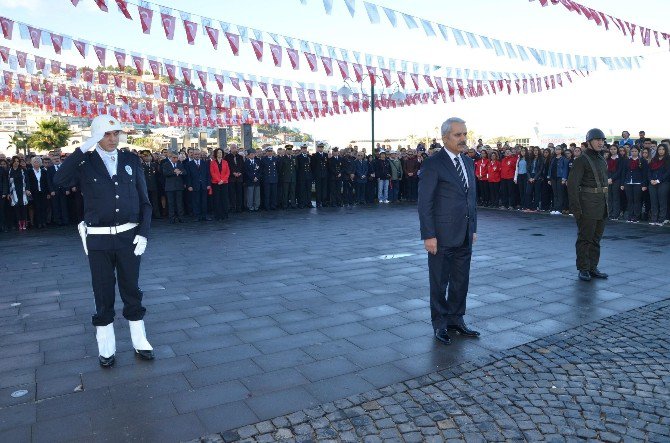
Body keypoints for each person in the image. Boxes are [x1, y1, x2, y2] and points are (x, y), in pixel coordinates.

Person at [53, 114, 154, 367]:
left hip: (128, 236)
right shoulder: (85, 162)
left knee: (132, 289)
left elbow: (145, 201)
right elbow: (60, 180)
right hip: (98, 239)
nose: (112, 139)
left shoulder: (131, 160)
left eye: (115, 133)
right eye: (106, 134)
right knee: (103, 290)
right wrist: (81, 148)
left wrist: (143, 232)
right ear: (97, 136)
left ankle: (140, 340)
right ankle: (106, 346)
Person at [418, 117, 479, 346]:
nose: (463, 138)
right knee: (439, 281)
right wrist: (429, 235)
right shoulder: (433, 164)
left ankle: (456, 319)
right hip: (441, 236)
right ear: (445, 137)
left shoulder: (468, 162)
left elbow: (471, 198)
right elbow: (425, 203)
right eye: (458, 135)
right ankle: (440, 324)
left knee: (461, 280)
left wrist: (473, 227)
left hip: (464, 233)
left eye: (465, 134)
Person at [566, 128, 610, 282]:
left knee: (596, 239)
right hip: (587, 205)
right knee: (585, 238)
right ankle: (583, 268)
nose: (601, 142)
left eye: (602, 140)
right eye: (597, 139)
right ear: (589, 141)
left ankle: (592, 267)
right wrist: (576, 208)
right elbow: (572, 185)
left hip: (601, 204)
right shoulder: (581, 160)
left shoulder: (602, 159)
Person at [620, 146, 648, 223]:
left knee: (637, 200)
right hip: (628, 182)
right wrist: (622, 183)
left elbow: (645, 173)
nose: (634, 153)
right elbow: (624, 172)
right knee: (629, 200)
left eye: (635, 151)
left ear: (638, 152)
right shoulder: (627, 161)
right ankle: (630, 215)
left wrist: (644, 185)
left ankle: (636, 216)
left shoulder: (642, 160)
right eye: (632, 151)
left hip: (638, 183)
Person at [185, 150, 212, 221]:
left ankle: (204, 215)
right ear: (193, 155)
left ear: (200, 155)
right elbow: (188, 176)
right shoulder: (189, 164)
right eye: (195, 154)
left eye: (198, 154)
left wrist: (209, 184)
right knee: (195, 201)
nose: (197, 155)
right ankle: (197, 216)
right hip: (194, 186)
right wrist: (189, 186)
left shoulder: (204, 163)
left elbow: (208, 174)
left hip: (204, 185)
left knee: (204, 201)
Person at [162, 150, 187, 223]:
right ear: (170, 157)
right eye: (174, 157)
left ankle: (180, 217)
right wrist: (174, 171)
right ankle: (172, 218)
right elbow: (165, 173)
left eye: (176, 157)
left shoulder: (180, 164)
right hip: (170, 187)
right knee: (171, 203)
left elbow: (185, 172)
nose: (175, 159)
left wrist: (180, 172)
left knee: (179, 203)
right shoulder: (166, 164)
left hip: (179, 186)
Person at [648, 143, 670, 226]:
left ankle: (661, 220)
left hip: (663, 183)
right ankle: (654, 219)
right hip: (652, 182)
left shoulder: (668, 159)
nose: (661, 151)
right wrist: (651, 180)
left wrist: (658, 180)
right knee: (654, 201)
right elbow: (649, 171)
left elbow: (668, 173)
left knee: (662, 201)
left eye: (663, 149)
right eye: (659, 149)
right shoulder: (654, 159)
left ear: (666, 150)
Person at [47, 154, 70, 226]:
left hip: (63, 189)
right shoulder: (50, 169)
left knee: (64, 206)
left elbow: (67, 179)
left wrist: (67, 189)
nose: (56, 160)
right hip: (54, 190)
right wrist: (51, 190)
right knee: (56, 206)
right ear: (52, 161)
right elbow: (49, 181)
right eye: (54, 159)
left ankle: (65, 220)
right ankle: (58, 220)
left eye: (57, 158)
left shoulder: (64, 167)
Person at [27, 156, 50, 229]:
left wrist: (48, 193)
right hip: (34, 192)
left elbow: (47, 183)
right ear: (32, 163)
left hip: (43, 192)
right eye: (34, 162)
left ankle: (43, 222)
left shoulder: (44, 171)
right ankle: (39, 223)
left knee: (43, 207)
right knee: (36, 207)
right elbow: (29, 182)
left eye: (37, 162)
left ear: (40, 163)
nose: (36, 163)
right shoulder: (29, 171)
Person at [210, 148, 230, 220]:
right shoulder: (212, 162)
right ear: (216, 154)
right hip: (216, 183)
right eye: (218, 152)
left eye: (221, 152)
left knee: (224, 199)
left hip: (224, 183)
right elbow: (212, 173)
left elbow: (228, 172)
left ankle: (225, 214)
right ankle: (218, 215)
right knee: (217, 199)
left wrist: (223, 180)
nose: (220, 154)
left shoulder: (225, 162)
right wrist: (219, 180)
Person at [225, 144, 245, 213]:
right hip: (231, 179)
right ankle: (232, 207)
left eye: (235, 148)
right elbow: (227, 167)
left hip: (239, 178)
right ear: (230, 149)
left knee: (239, 194)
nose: (234, 149)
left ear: (237, 149)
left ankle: (239, 208)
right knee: (232, 194)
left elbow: (243, 166)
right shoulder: (227, 157)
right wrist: (233, 173)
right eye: (232, 148)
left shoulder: (240, 157)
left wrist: (240, 172)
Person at [296, 144, 312, 208]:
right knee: (301, 190)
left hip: (308, 176)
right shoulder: (298, 157)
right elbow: (297, 167)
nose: (305, 149)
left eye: (305, 148)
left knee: (308, 190)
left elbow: (311, 166)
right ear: (301, 149)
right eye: (303, 148)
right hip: (301, 176)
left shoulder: (309, 156)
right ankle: (301, 203)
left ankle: (308, 203)